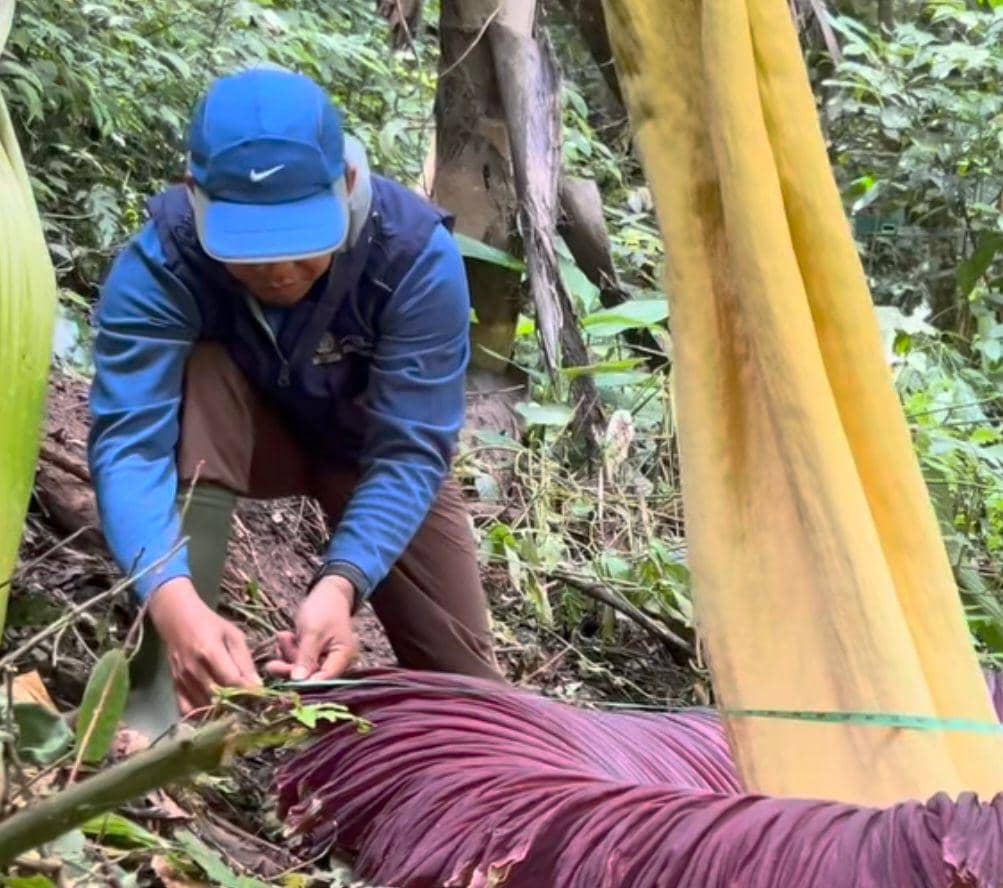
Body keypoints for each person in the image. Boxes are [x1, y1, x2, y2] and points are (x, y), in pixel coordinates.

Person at [88, 67, 502, 737]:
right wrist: (170, 600)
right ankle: (158, 715)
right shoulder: (163, 261)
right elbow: (129, 445)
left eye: (300, 241)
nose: (278, 271)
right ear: (195, 196)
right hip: (237, 442)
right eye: (250, 248)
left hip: (369, 456)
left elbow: (410, 451)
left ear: (344, 185)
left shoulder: (412, 256)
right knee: (206, 367)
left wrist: (340, 584)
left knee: (470, 692)